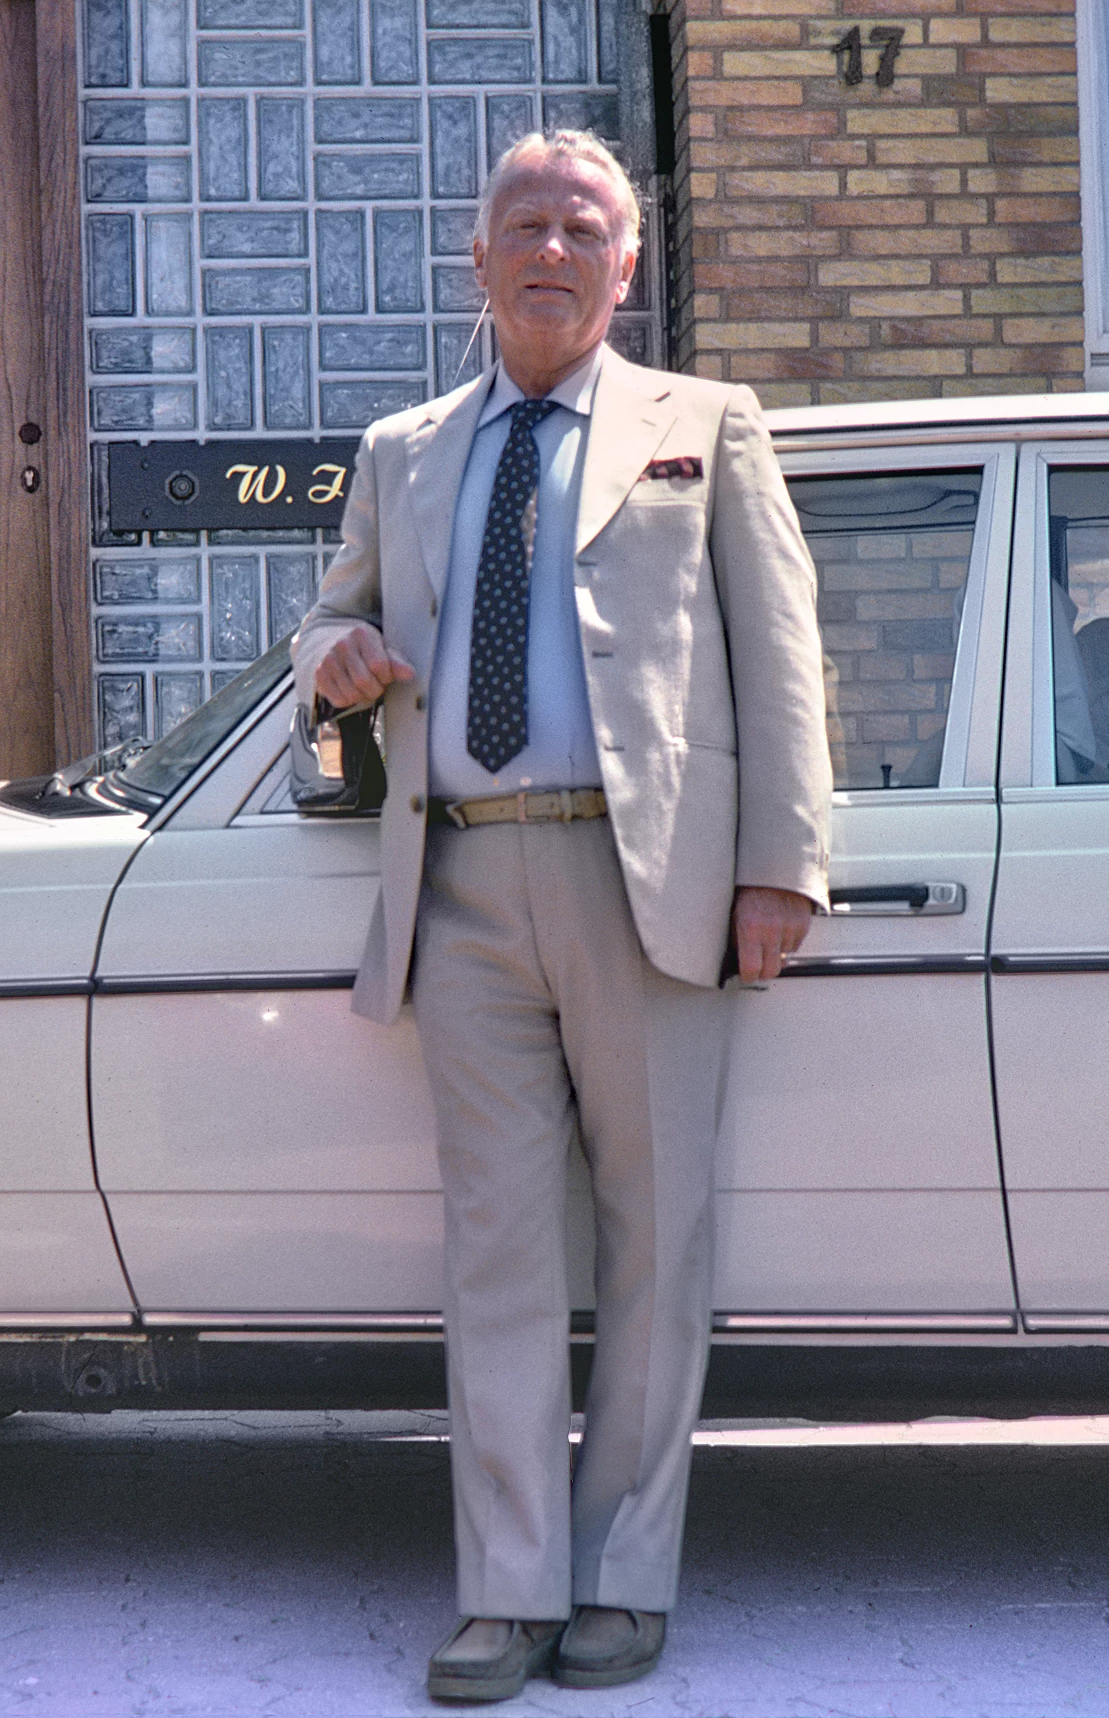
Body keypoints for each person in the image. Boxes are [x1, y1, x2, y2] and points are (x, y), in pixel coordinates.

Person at [291, 129, 833, 1703]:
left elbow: (781, 654)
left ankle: (627, 1576)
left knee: (658, 1241)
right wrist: (330, 654)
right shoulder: (407, 448)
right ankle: (507, 1589)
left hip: (643, 876)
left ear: (628, 258)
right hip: (461, 881)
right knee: (501, 1252)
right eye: (522, 220)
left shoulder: (707, 427)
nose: (551, 244)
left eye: (581, 222)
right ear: (479, 260)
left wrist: (780, 866)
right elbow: (336, 609)